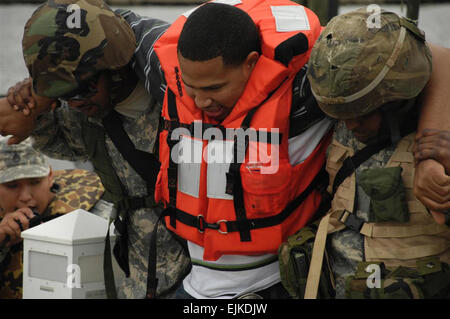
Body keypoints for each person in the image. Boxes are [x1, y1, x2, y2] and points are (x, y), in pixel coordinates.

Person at [4, 0, 450, 299]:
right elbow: (95, 23)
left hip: (274, 283)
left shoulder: (300, 89)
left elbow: (434, 56)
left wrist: (432, 150)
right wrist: (47, 88)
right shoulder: (165, 71)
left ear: (253, 66)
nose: (200, 102)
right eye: (192, 88)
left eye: (215, 87)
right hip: (192, 285)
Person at [2, 0, 190, 299]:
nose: (74, 101)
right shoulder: (84, 115)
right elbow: (36, 129)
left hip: (201, 279)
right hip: (137, 280)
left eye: (82, 88)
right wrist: (31, 102)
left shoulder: (179, 102)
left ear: (116, 71)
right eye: (62, 93)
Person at [305, 8, 450, 299]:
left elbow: (436, 59)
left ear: (400, 96)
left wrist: (430, 157)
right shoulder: (345, 101)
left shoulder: (439, 136)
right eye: (342, 115)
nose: (350, 124)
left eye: (363, 114)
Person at [0, 137, 105, 298]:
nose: (26, 197)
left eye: (35, 182)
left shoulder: (94, 210)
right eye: (12, 186)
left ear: (49, 176)